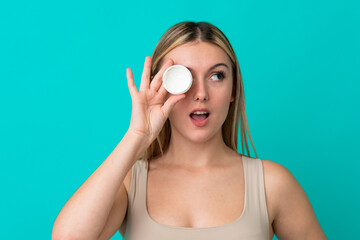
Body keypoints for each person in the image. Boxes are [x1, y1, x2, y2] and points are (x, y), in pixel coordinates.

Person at [52, 21, 327, 240]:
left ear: (233, 89)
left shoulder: (272, 184)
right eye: (184, 77)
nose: (201, 93)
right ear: (160, 86)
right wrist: (136, 136)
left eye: (216, 75)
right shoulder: (130, 184)